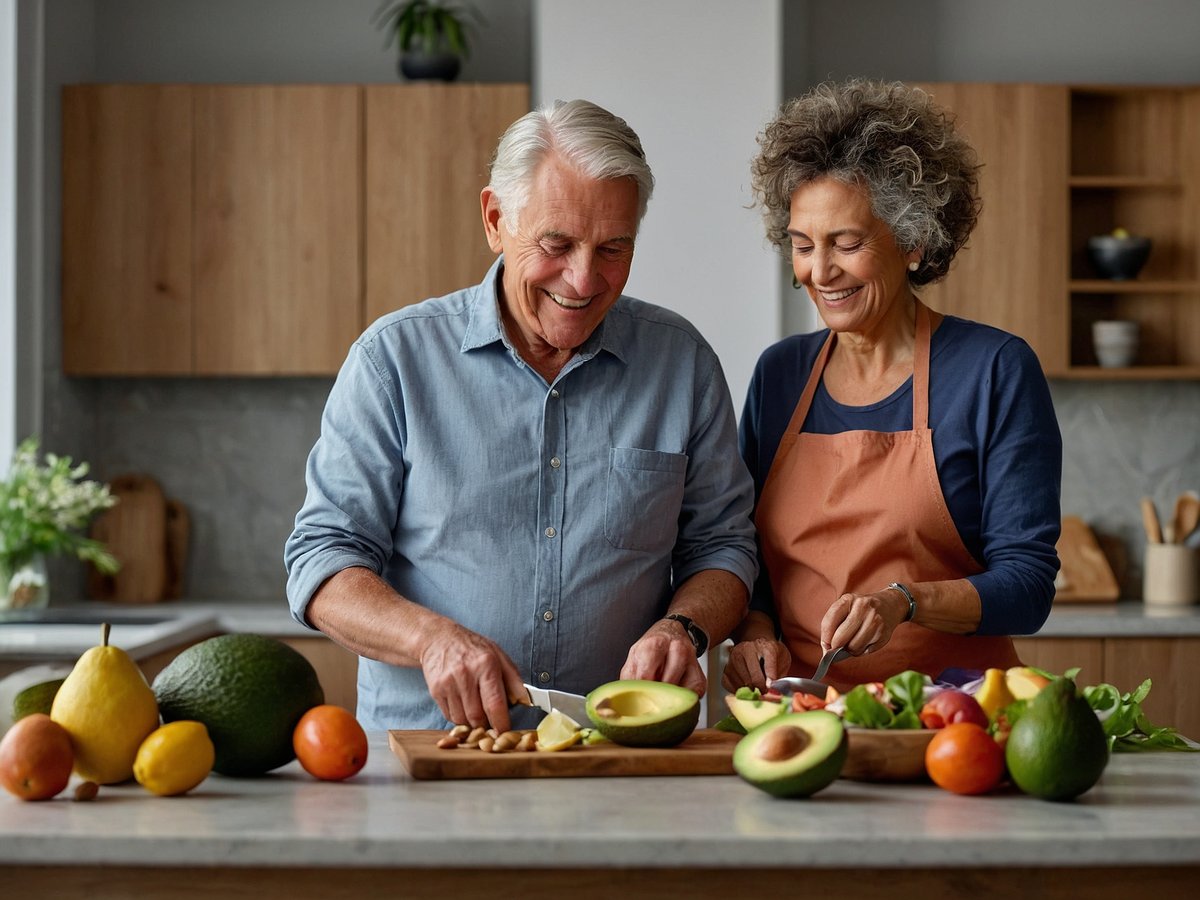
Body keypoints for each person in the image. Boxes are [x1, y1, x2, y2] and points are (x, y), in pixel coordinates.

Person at [285, 99, 758, 733]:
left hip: (619, 759)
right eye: (556, 244)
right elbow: (322, 560)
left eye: (614, 247)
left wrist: (685, 626)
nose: (584, 279)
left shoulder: (683, 364)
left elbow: (723, 547)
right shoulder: (393, 360)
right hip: (429, 756)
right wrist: (431, 639)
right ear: (495, 219)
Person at [722, 78, 1062, 695]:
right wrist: (755, 630)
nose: (820, 272)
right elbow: (745, 556)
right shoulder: (780, 375)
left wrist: (903, 601)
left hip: (954, 716)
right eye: (802, 246)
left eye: (846, 244)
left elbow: (1029, 585)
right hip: (801, 711)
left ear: (913, 242)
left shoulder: (994, 369)